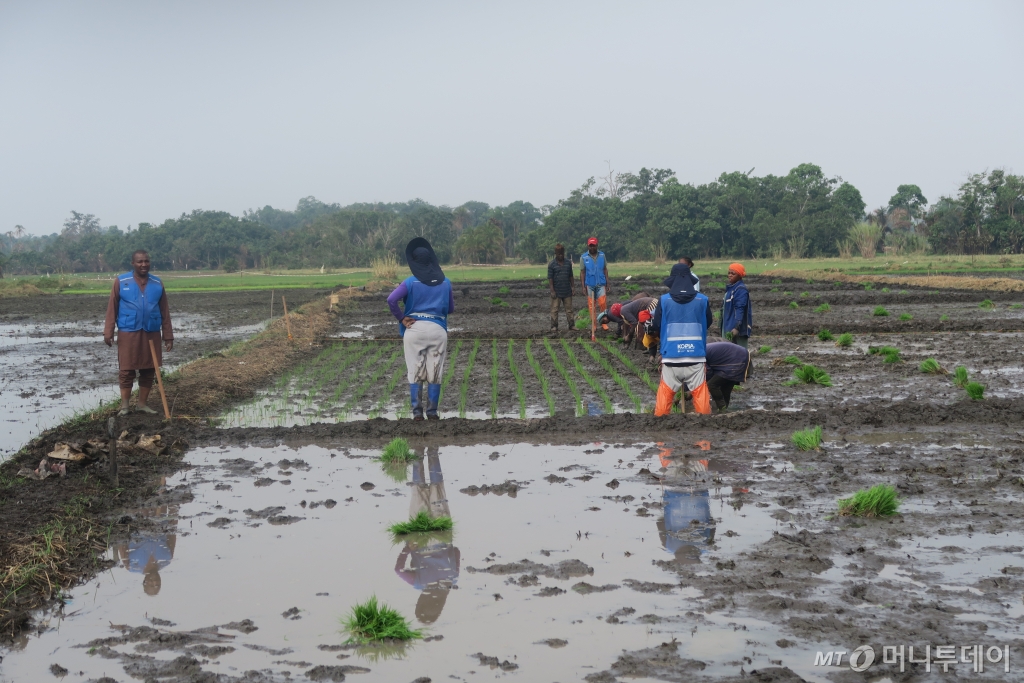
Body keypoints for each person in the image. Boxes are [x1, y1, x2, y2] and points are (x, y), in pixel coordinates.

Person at [387, 238, 455, 420]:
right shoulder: (445, 282)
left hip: (414, 330)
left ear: (414, 263)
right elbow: (450, 309)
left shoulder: (409, 282)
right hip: (438, 330)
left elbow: (391, 300)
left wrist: (401, 318)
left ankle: (417, 412)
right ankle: (432, 412)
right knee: (435, 371)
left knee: (414, 371)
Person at [395, 446, 460, 624]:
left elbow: (456, 552)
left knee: (437, 489)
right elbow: (398, 570)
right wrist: (406, 550)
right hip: (419, 542)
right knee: (419, 491)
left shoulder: (452, 579)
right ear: (420, 602)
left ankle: (432, 452)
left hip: (443, 536)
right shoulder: (419, 583)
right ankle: (417, 453)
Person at [104, 250, 173, 416]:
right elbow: (112, 307)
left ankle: (142, 404)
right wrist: (108, 331)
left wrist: (168, 335)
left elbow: (164, 310)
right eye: (140, 262)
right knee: (127, 370)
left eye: (146, 261)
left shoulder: (157, 283)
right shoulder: (121, 281)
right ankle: (125, 407)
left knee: (149, 369)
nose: (144, 265)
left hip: (152, 331)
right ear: (133, 263)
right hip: (129, 332)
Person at [651, 263, 712, 416]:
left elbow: (656, 324)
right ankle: (705, 433)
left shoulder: (664, 301)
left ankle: (660, 432)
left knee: (665, 396)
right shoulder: (702, 300)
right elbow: (708, 322)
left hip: (671, 358)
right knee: (701, 396)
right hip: (696, 357)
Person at [705, 341, 753, 412]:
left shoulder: (699, 356)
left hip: (737, 359)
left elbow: (708, 373)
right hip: (739, 356)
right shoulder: (701, 350)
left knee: (712, 384)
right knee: (725, 387)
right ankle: (724, 412)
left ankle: (722, 408)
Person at [579, 237, 610, 331]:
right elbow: (582, 272)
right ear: (588, 246)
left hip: (601, 283)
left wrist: (608, 282)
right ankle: (594, 324)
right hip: (590, 284)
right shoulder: (584, 257)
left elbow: (605, 269)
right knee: (592, 305)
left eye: (594, 246)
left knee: (603, 303)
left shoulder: (602, 255)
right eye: (590, 246)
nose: (592, 248)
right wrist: (583, 286)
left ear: (597, 245)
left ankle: (604, 323)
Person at [722, 262, 752, 348]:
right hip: (728, 328)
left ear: (739, 276)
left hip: (735, 331)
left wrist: (736, 327)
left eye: (733, 273)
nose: (730, 275)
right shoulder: (731, 289)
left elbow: (740, 309)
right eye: (729, 273)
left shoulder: (740, 290)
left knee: (738, 356)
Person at [547, 243, 575, 334]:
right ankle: (554, 326)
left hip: (567, 290)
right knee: (554, 309)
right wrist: (552, 291)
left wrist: (573, 287)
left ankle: (572, 325)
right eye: (559, 254)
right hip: (557, 291)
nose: (560, 255)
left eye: (562, 254)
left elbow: (571, 276)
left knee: (569, 309)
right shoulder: (551, 265)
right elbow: (550, 279)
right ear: (555, 254)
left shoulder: (568, 263)